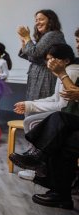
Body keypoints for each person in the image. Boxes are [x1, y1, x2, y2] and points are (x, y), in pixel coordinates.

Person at [11, 43, 79, 180]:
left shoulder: (70, 72)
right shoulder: (65, 70)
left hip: (70, 115)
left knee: (31, 121)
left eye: (53, 59)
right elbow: (56, 98)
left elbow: (62, 106)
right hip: (67, 114)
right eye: (48, 59)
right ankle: (36, 160)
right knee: (31, 117)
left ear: (65, 60)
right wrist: (29, 104)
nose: (50, 62)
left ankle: (37, 165)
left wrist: (31, 106)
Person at [17, 9, 66, 101]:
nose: (37, 23)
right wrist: (24, 40)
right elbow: (30, 56)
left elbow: (35, 53)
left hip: (46, 76)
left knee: (41, 106)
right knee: (33, 104)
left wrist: (27, 37)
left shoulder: (53, 34)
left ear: (51, 20)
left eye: (41, 19)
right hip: (38, 75)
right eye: (36, 20)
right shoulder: (45, 36)